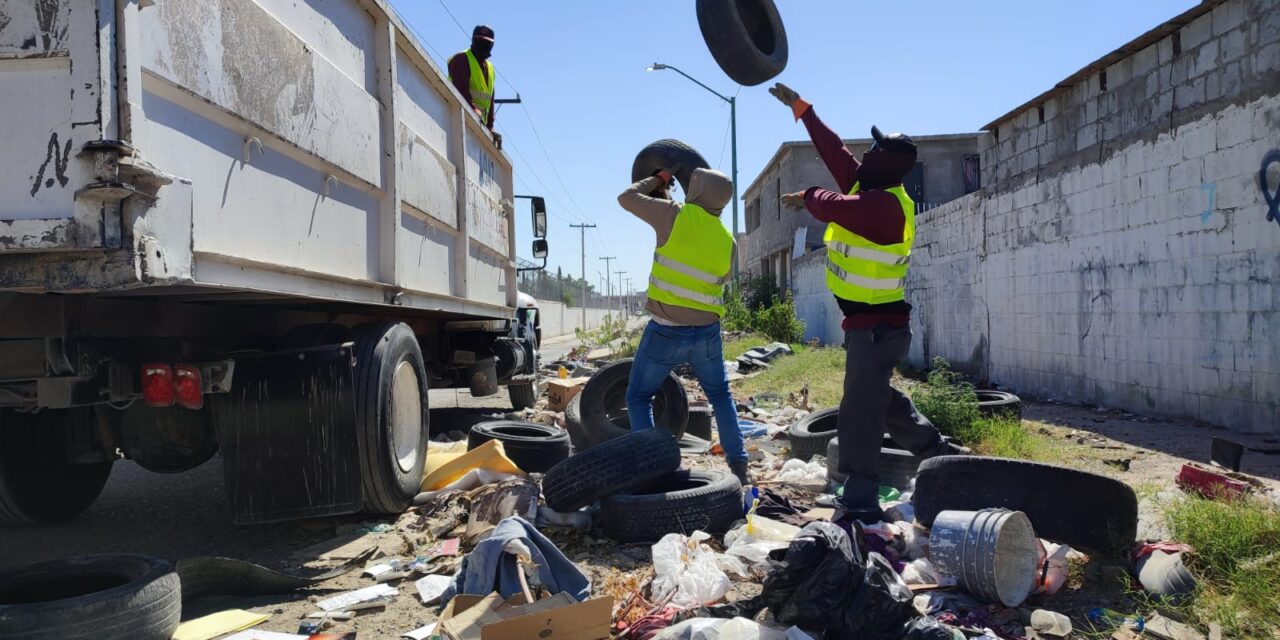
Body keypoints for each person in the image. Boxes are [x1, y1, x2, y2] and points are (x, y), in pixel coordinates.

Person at [768, 82, 967, 522]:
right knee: (875, 396)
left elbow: (833, 204)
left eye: (875, 149)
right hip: (875, 326)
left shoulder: (886, 208)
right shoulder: (871, 186)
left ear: (885, 162)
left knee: (859, 408)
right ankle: (940, 452)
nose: (866, 153)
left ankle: (858, 495)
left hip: (877, 327)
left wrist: (808, 197)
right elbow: (836, 152)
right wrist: (804, 110)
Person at [618, 168, 750, 486]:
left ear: (697, 188)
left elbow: (626, 198)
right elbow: (721, 275)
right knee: (720, 396)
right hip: (706, 333)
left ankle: (653, 468)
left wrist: (658, 179)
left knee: (638, 397)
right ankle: (739, 464)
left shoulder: (674, 215)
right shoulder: (727, 240)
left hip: (666, 329)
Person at [448, 25, 499, 143]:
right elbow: (461, 91)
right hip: (459, 119)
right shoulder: (462, 59)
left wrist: (490, 127)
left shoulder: (490, 69)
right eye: (480, 42)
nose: (483, 47)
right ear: (474, 41)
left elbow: (490, 99)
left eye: (487, 43)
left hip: (478, 126)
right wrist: (473, 109)